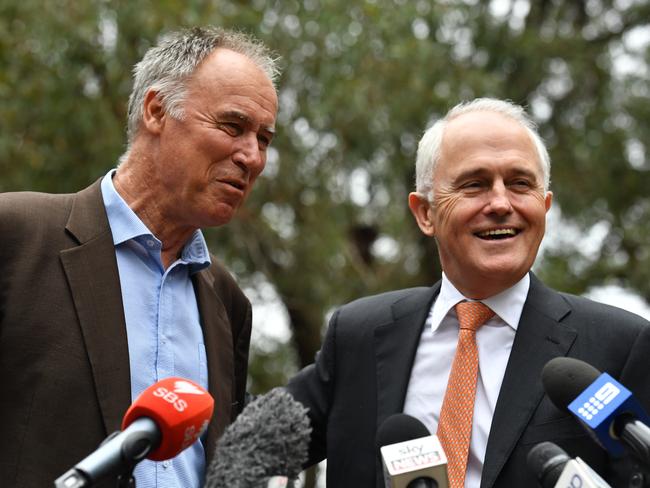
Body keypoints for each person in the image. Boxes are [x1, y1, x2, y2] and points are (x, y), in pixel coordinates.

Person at [286, 98, 650, 487]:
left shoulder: (620, 346)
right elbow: (251, 446)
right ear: (425, 213)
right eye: (474, 184)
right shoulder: (358, 334)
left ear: (544, 207)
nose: (500, 203)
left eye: (520, 184)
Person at [0, 26, 279, 487]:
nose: (251, 156)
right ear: (156, 111)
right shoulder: (16, 238)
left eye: (264, 139)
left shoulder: (229, 303)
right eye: (233, 126)